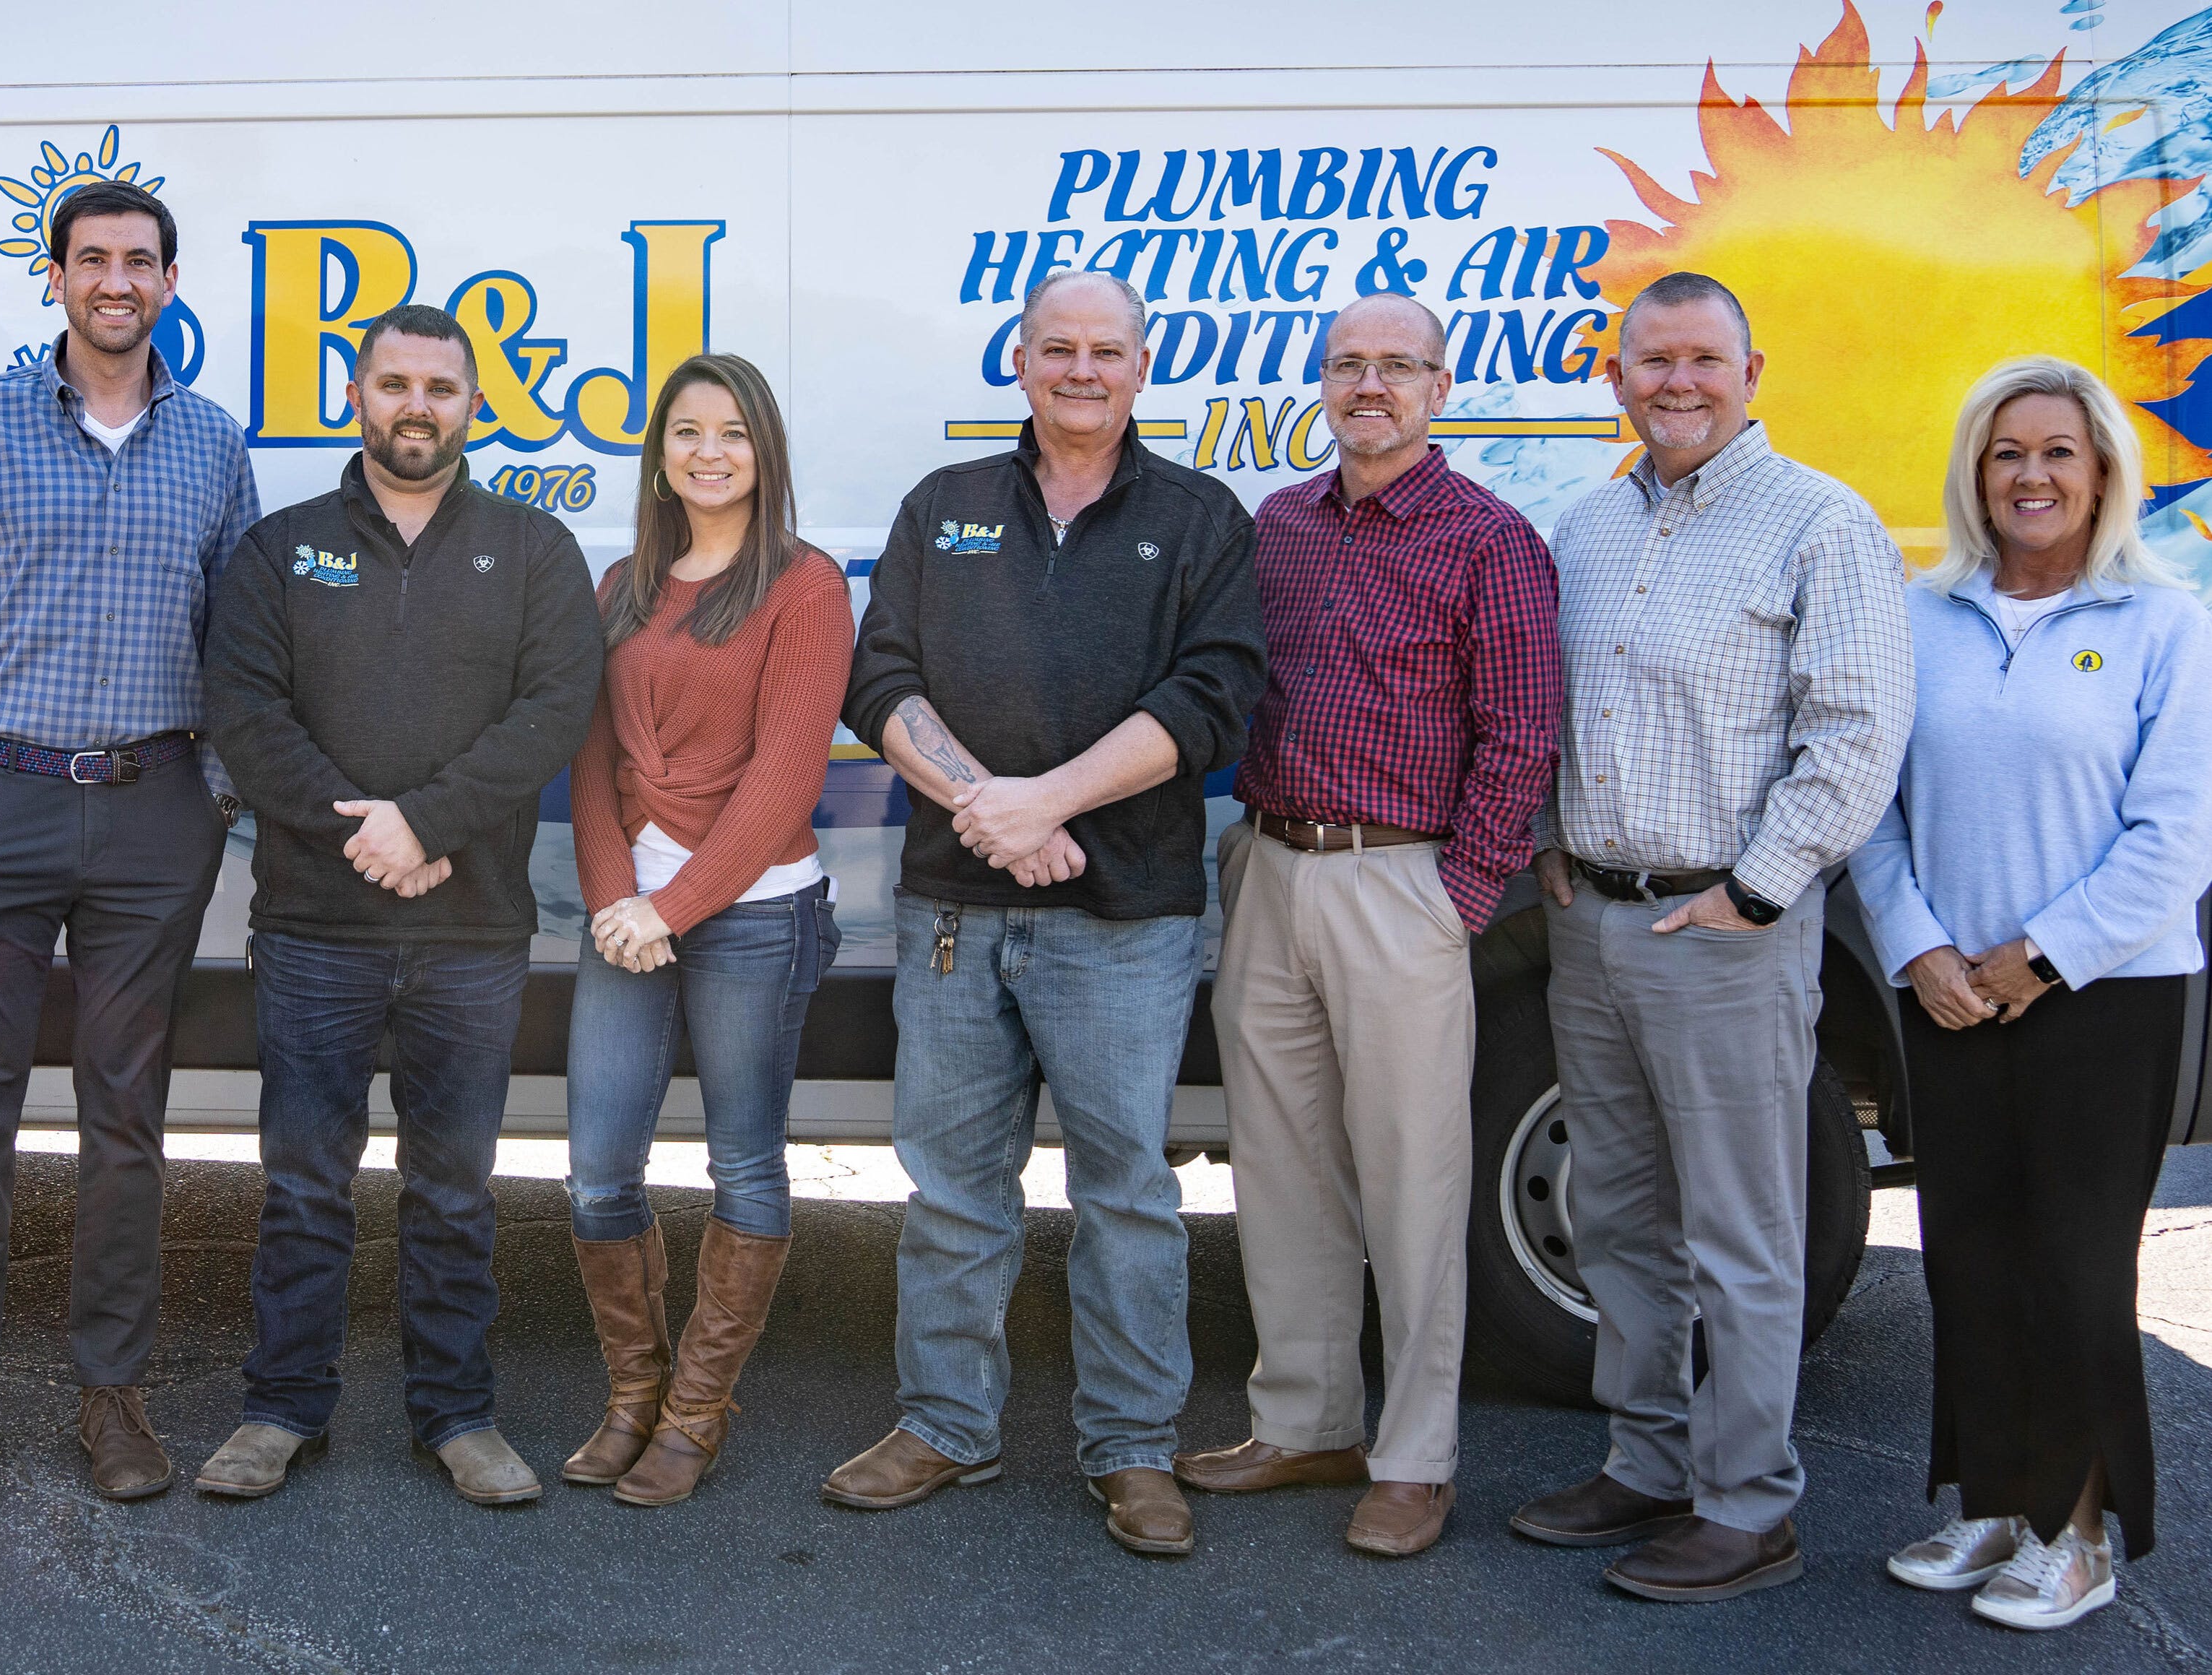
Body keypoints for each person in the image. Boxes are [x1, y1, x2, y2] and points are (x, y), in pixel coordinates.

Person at [820, 269, 1266, 1558]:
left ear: (1143, 367)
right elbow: (878, 678)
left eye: (1106, 350)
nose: (1081, 369)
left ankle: (1132, 1447)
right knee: (955, 1188)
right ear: (1017, 362)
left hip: (1125, 919)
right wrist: (990, 810)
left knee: (1126, 1191)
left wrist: (1049, 802)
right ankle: (945, 1426)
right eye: (1057, 347)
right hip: (956, 912)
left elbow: (1214, 697)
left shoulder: (1199, 518)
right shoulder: (945, 504)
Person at [0, 179, 258, 1511]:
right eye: (92, 260)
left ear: (171, 281)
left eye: (140, 260)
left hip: (153, 811)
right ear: (58, 278)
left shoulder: (212, 443)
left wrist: (212, 797)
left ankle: (112, 1395)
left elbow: (239, 639)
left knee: (126, 1121)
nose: (116, 282)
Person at [1510, 272, 1914, 1601]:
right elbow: (1551, 703)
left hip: (1725, 931)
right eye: (1653, 361)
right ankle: (1647, 1462)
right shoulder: (1587, 526)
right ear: (1616, 377)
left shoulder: (1821, 523)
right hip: (1592, 923)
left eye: (1703, 360)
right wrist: (1552, 839)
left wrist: (1755, 891)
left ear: (1752, 372)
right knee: (1619, 1216)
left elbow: (1856, 733)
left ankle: (1749, 1507)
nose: (1677, 383)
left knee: (1741, 1235)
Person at [200, 303, 602, 1508]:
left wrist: (424, 825)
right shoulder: (281, 550)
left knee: (455, 1187)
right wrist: (367, 836)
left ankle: (457, 1415)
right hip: (314, 929)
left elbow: (553, 712)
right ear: (355, 395)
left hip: (471, 934)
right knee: (303, 1181)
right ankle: (282, 1409)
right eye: (393, 384)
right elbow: (247, 715)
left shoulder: (533, 550)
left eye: (439, 386)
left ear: (474, 404)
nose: (415, 406)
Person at [1178, 294, 1560, 1557]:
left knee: (1413, 1181)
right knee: (1280, 1165)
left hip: (1401, 882)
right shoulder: (1280, 526)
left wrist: (1458, 896)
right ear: (1323, 385)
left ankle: (1415, 1457)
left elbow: (1523, 736)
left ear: (1441, 389)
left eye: (1399, 366)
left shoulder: (1490, 540)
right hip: (1271, 865)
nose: (1371, 386)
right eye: (1348, 365)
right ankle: (1307, 1422)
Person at [1848, 356, 2212, 1631]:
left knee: (2075, 1269)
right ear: (1976, 474)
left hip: (2104, 997)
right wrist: (1919, 950)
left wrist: (2040, 956)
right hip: (1949, 991)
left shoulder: (2165, 623)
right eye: (2008, 453)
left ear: (2103, 472)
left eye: (2059, 452)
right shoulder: (1921, 616)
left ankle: (2080, 1532)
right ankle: (1995, 1505)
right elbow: (1873, 809)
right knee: (1969, 1256)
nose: (2032, 475)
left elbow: (2178, 838)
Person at [559, 353, 851, 1507]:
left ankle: (695, 1414)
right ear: (660, 454)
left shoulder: (805, 586)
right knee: (596, 1173)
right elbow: (589, 760)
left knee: (745, 1162)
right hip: (625, 917)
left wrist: (669, 908)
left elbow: (785, 782)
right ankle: (633, 1397)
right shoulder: (623, 584)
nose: (710, 451)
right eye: (687, 431)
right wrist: (611, 904)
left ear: (763, 451)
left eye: (733, 432)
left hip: (758, 914)